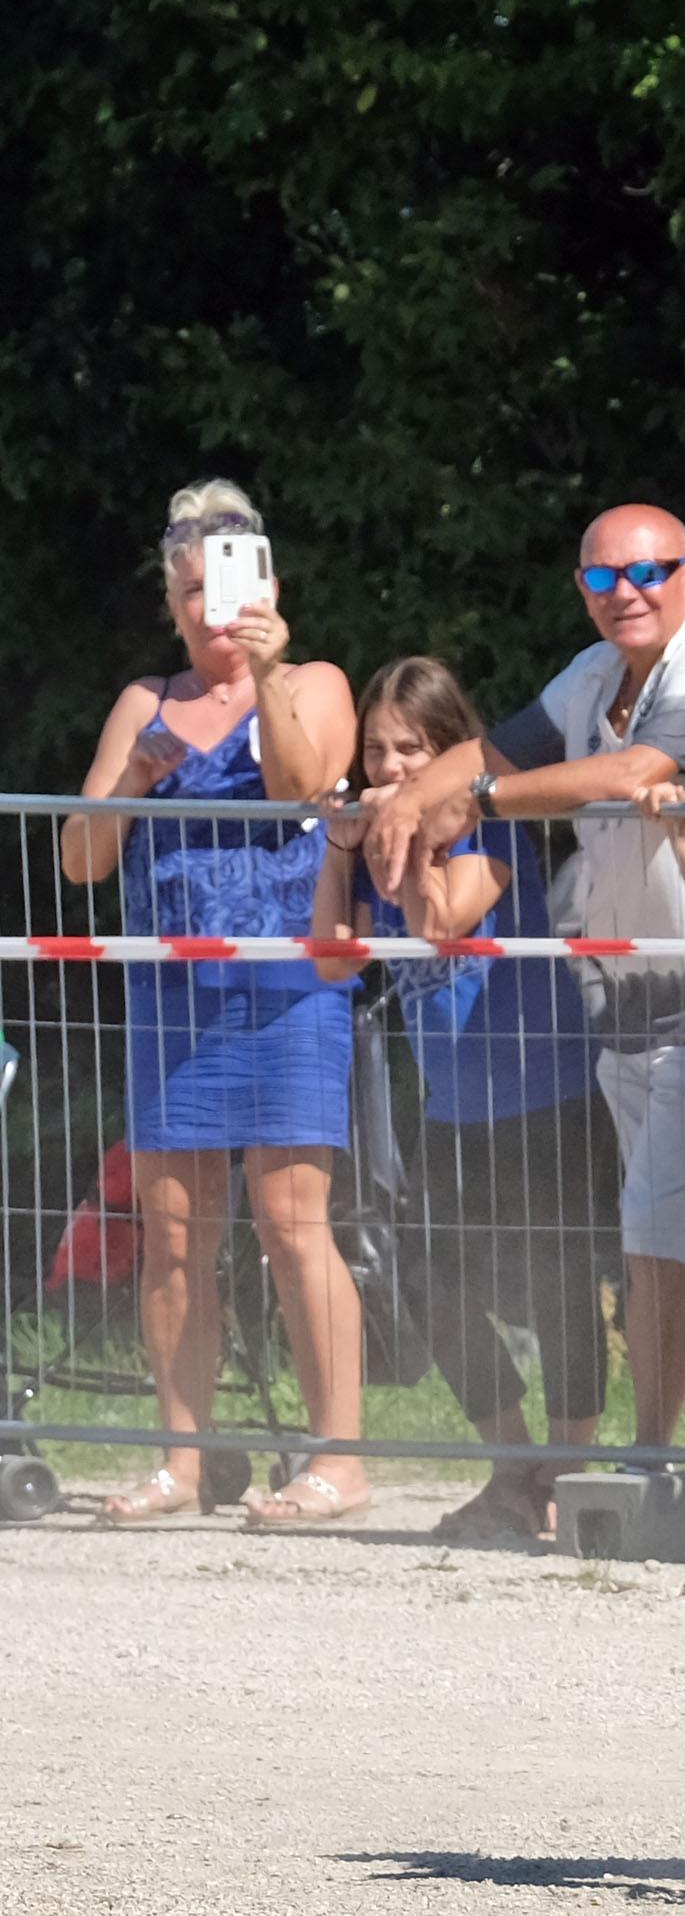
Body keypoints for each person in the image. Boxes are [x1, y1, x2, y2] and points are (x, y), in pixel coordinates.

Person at [363, 505, 685, 1454]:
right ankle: (676, 1461)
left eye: (645, 572)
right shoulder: (597, 670)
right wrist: (411, 803)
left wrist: (470, 801)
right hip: (627, 1004)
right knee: (663, 1251)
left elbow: (626, 772)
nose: (622, 592)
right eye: (600, 577)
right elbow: (496, 748)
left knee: (671, 1246)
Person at [63, 481, 366, 1526]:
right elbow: (79, 860)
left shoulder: (316, 681)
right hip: (173, 997)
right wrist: (132, 785)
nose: (210, 609)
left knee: (293, 1223)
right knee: (176, 1234)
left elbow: (299, 785)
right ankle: (181, 1462)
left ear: (269, 588)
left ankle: (339, 1458)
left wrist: (269, 673)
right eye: (190, 590)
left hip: (288, 988)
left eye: (226, 587)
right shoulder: (143, 703)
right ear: (170, 600)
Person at [311, 657, 614, 1542]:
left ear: (450, 751)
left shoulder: (488, 829)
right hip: (454, 1104)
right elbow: (332, 957)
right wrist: (341, 850)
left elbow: (439, 921)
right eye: (377, 750)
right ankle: (513, 1464)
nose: (391, 767)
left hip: (542, 1086)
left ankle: (566, 1470)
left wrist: (415, 834)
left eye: (412, 749)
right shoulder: (378, 842)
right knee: (427, 1277)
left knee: (560, 1282)